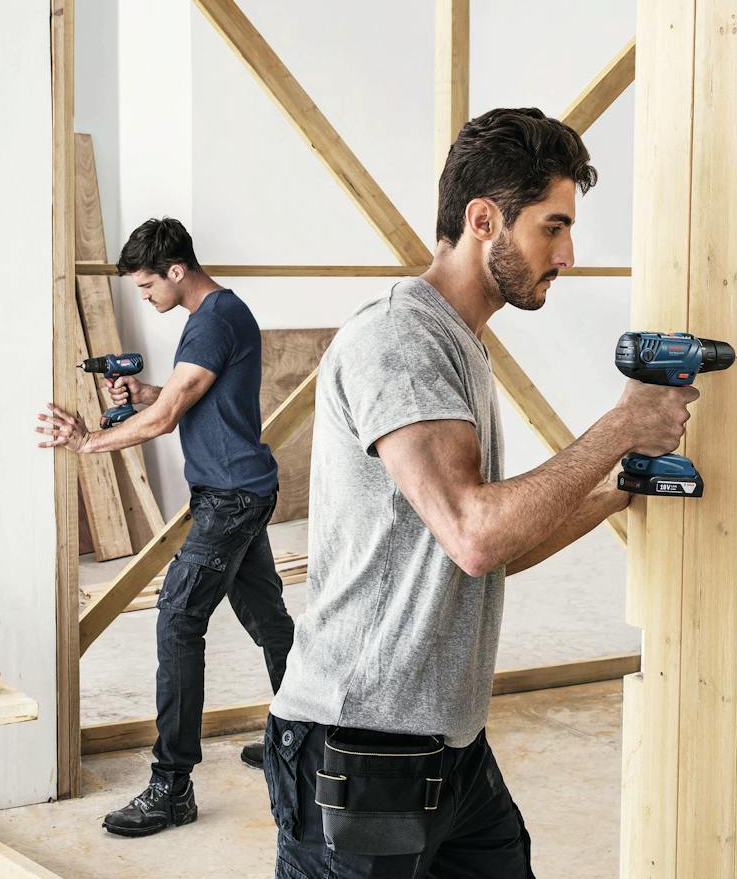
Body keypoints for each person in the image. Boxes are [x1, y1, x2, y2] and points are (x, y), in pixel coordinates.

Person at [262, 108, 698, 876]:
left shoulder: (462, 345)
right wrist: (622, 426)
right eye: (552, 227)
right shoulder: (401, 337)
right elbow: (476, 532)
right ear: (483, 218)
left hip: (449, 747)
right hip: (361, 747)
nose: (567, 253)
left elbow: (490, 553)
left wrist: (618, 492)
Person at [35, 217, 294, 838]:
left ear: (177, 271)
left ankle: (172, 788)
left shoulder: (215, 319)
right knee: (268, 621)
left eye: (149, 285)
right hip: (236, 491)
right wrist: (146, 389)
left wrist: (87, 441)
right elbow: (183, 395)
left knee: (178, 620)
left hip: (231, 498)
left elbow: (168, 416)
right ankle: (303, 740)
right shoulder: (214, 320)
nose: (146, 298)